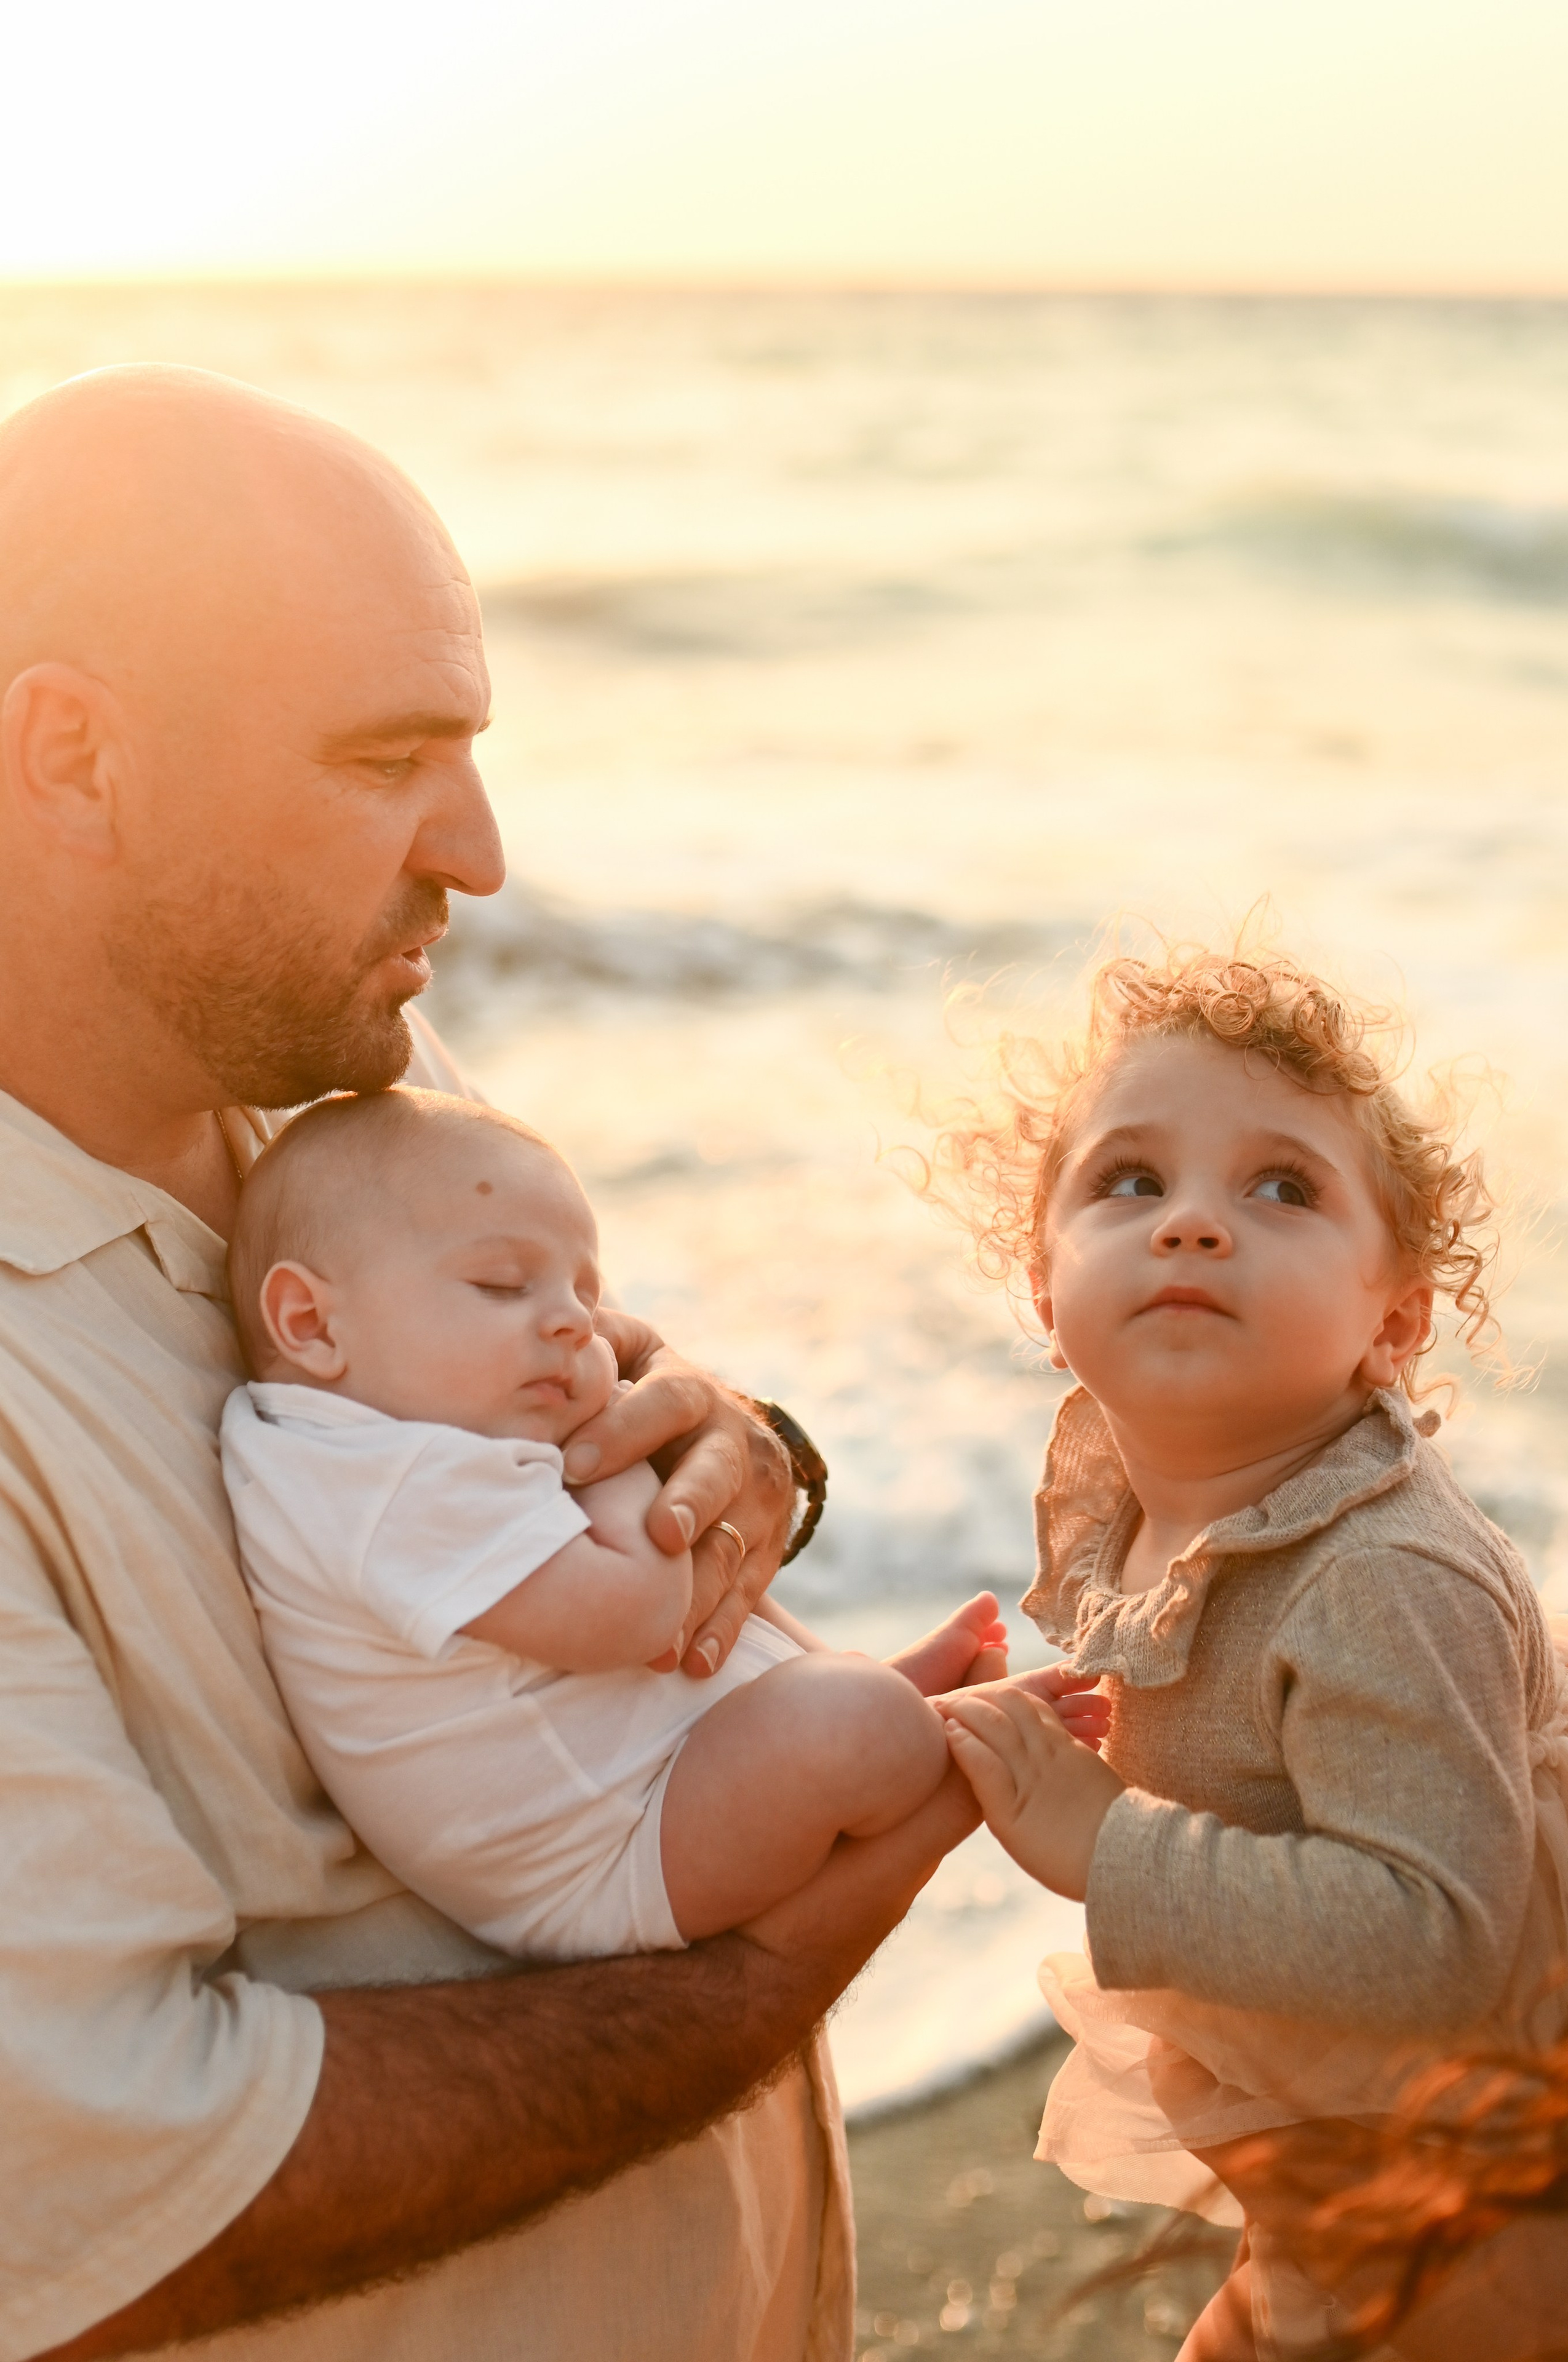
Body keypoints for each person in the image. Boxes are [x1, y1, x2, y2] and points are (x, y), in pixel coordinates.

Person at [0, 362, 980, 2362]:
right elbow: (125, 2204)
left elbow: (582, 1413)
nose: (485, 848)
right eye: (388, 759)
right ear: (72, 757)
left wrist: (746, 1449)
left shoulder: (325, 1071)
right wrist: (778, 1970)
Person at [929, 941, 1568, 2356]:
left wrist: (1110, 1844)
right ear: (1043, 1290)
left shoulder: (1384, 1575)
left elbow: (1435, 1942)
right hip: (1374, 2132)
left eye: (1279, 1188)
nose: (1191, 1225)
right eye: (1129, 1183)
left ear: (1390, 1321)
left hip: (1504, 2142)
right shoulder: (1188, 1510)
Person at [218, 1088, 1108, 1964]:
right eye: (502, 1286)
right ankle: (925, 1733)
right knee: (840, 1713)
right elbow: (640, 1619)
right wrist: (608, 1458)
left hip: (638, 1790)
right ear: (309, 1322)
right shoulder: (388, 1485)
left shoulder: (355, 1432)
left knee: (770, 1634)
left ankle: (887, 1701)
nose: (574, 1323)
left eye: (585, 1292)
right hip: (606, 1860)